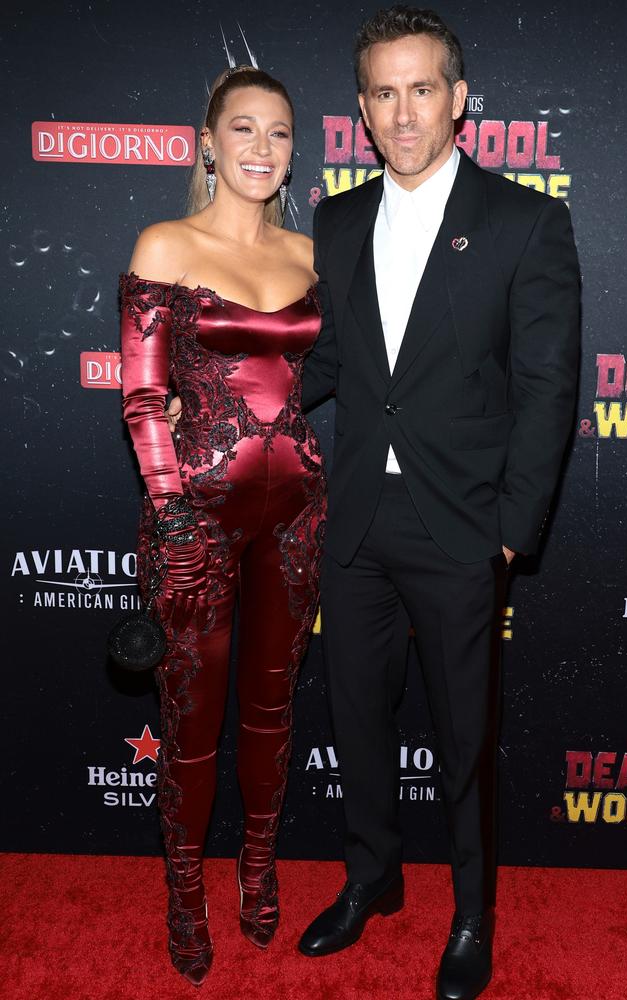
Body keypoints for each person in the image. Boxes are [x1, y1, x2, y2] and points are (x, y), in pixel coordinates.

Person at [297, 7, 580, 1000]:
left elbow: (548, 388)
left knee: (462, 740)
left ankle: (470, 914)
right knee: (357, 720)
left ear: (457, 99)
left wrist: (510, 533)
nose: (401, 111)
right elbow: (332, 360)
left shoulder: (524, 221)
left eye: (421, 88)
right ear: (362, 109)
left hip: (461, 528)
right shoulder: (333, 220)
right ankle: (371, 877)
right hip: (356, 526)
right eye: (382, 91)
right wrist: (239, 412)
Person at [119, 65, 325, 987]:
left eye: (279, 133)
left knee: (272, 717)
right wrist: (169, 517)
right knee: (192, 725)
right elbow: (142, 397)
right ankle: (184, 893)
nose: (260, 148)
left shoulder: (309, 254)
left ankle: (257, 868)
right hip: (193, 522)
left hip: (298, 518)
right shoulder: (166, 243)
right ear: (207, 141)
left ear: (293, 151)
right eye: (243, 129)